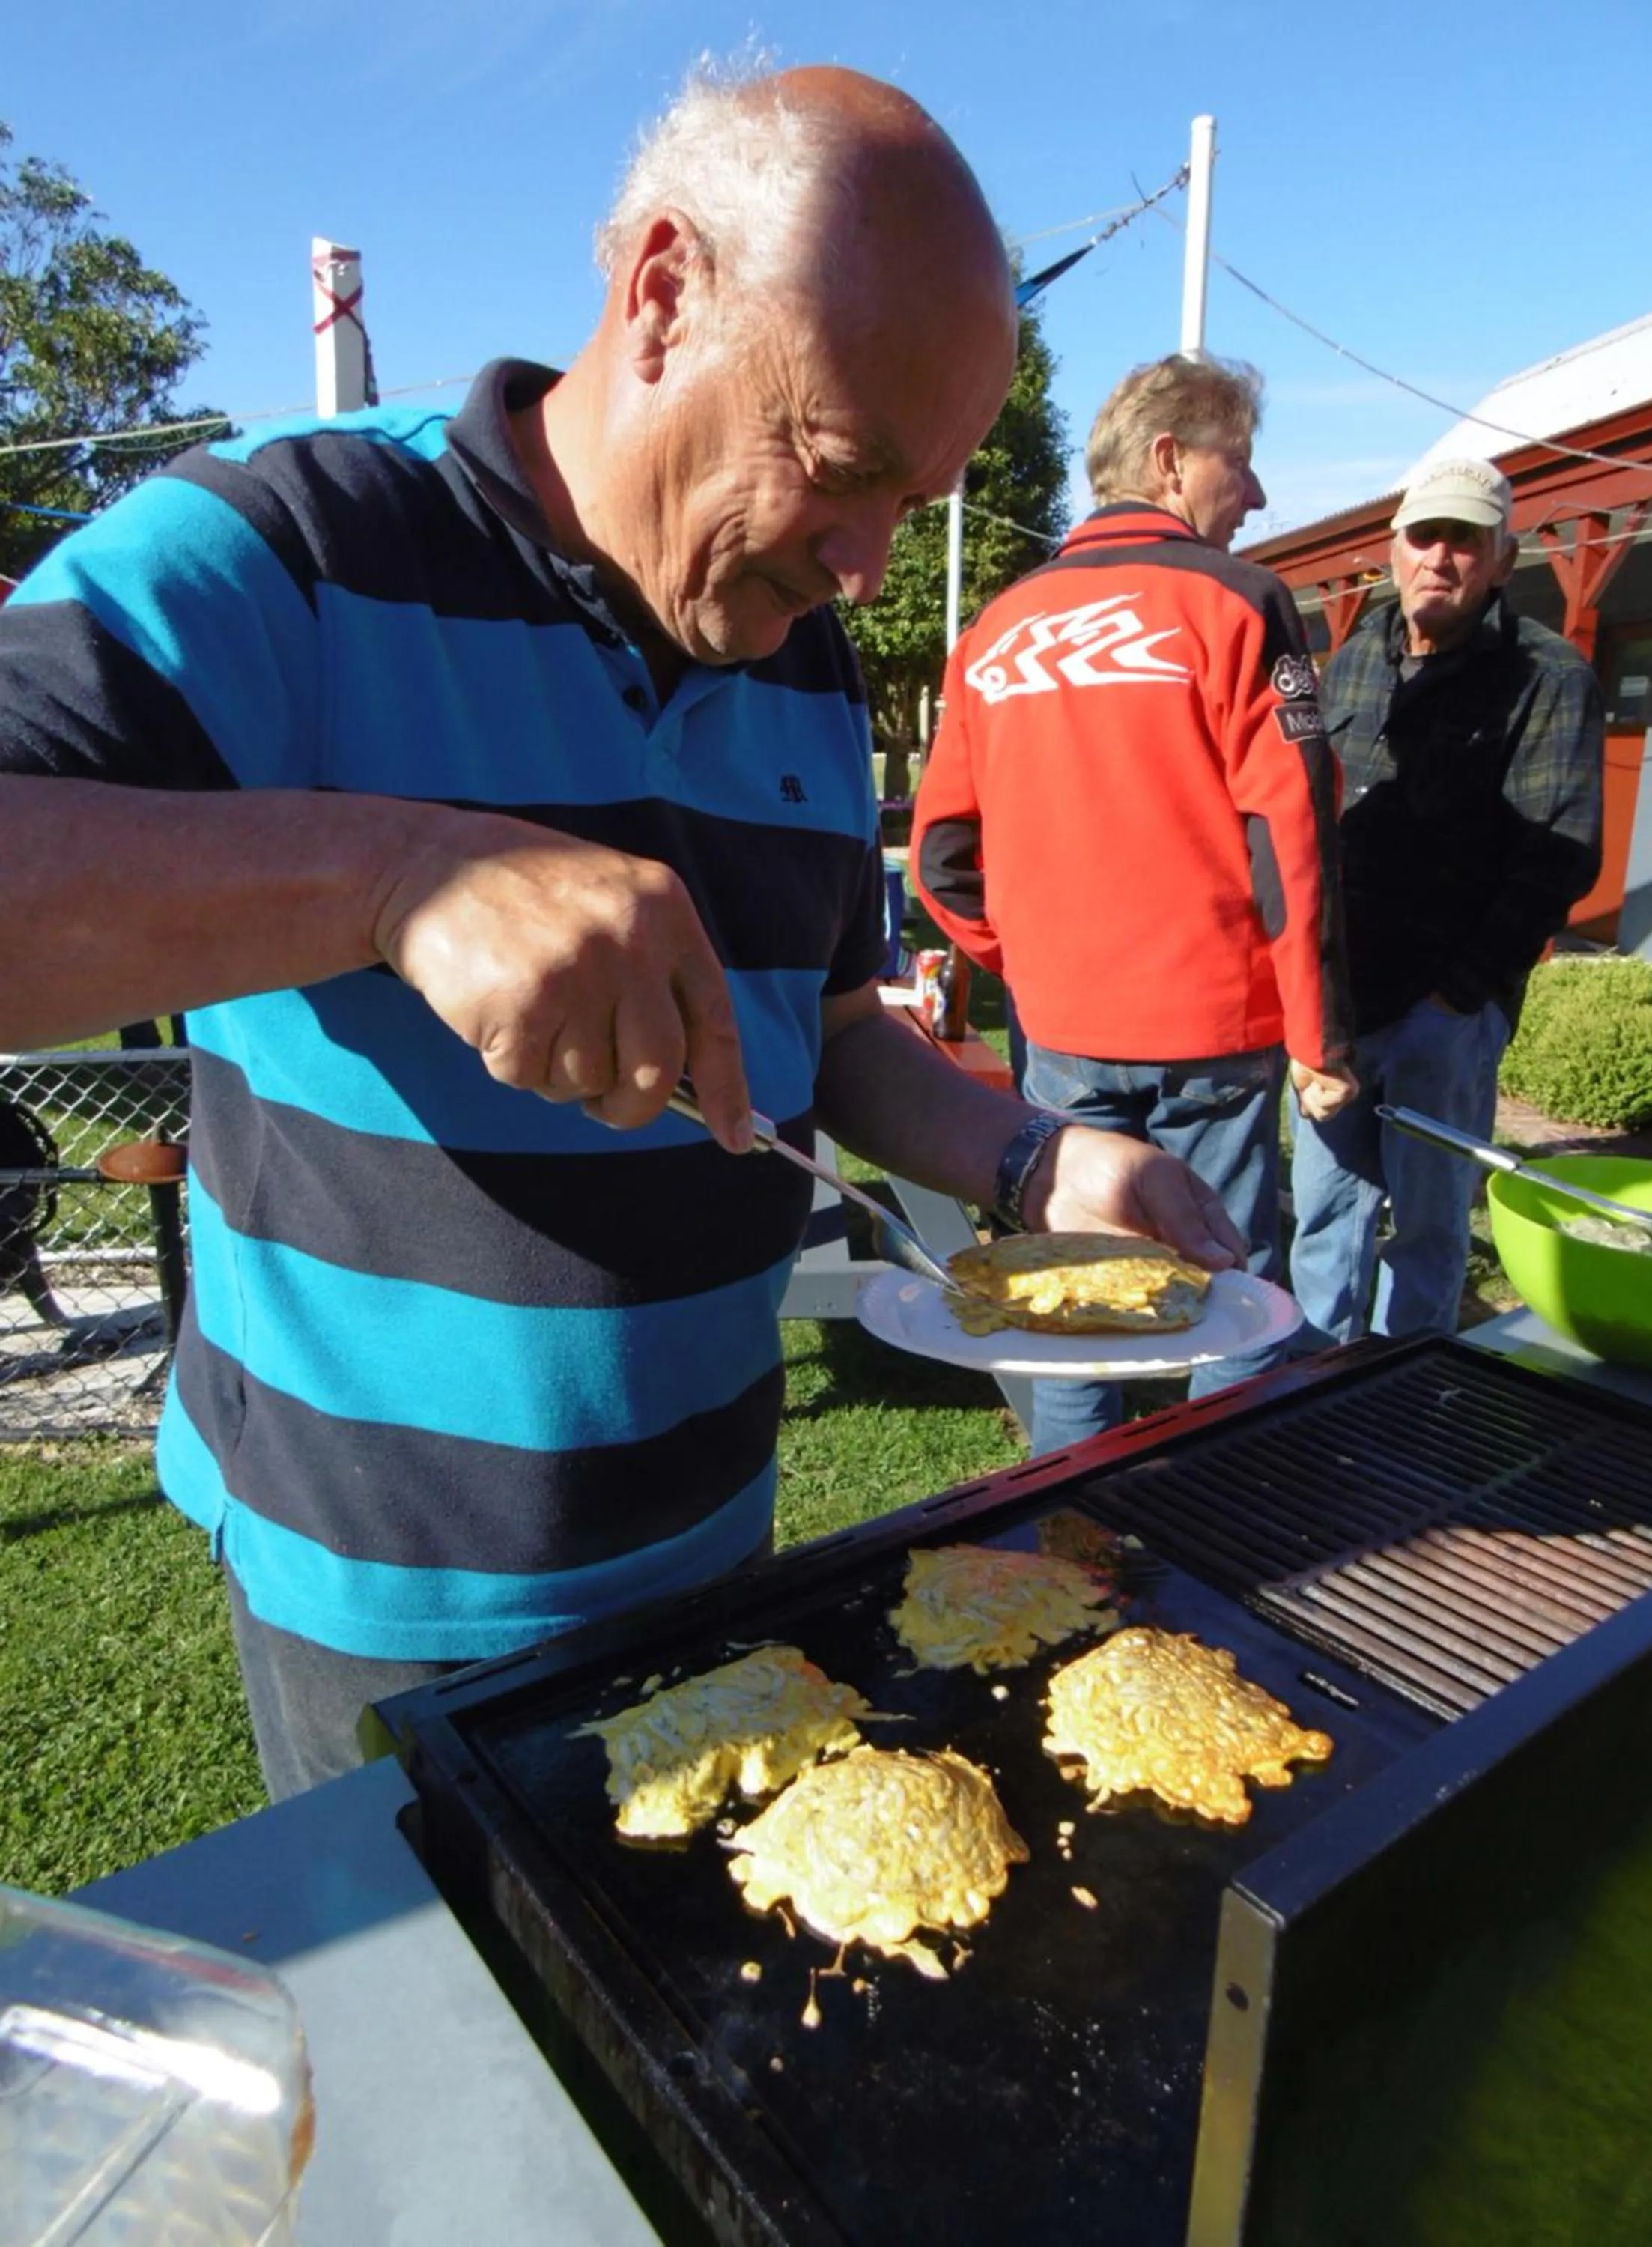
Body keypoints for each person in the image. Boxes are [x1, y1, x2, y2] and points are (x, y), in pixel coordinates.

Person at [0, 65, 1244, 1800]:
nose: (877, 565)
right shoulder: (289, 544)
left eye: (921, 494)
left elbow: (828, 1023)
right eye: (844, 466)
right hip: (386, 1589)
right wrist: (392, 879)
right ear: (663, 295)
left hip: (716, 1541)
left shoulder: (799, 649)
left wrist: (1031, 1160)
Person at [911, 353, 1355, 1455]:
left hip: (1059, 1028)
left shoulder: (994, 629)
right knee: (1231, 1292)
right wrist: (1319, 1038)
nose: (1253, 496)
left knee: (1069, 1288)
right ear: (1167, 460)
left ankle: (1065, 1520)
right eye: (1238, 464)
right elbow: (1290, 838)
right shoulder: (1239, 601)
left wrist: (1029, 961)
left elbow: (938, 855)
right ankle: (1213, 1526)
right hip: (1209, 1033)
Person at [1289, 457, 1604, 1342]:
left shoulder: (1548, 676)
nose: (1439, 557)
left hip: (1443, 1014)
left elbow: (1560, 855)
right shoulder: (1351, 660)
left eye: (1464, 540)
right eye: (1423, 536)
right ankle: (1306, 1403)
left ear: (1502, 560)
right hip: (1339, 1009)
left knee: (1427, 1234)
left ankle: (1406, 1404)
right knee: (1325, 1218)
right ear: (1393, 551)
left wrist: (1456, 1000)